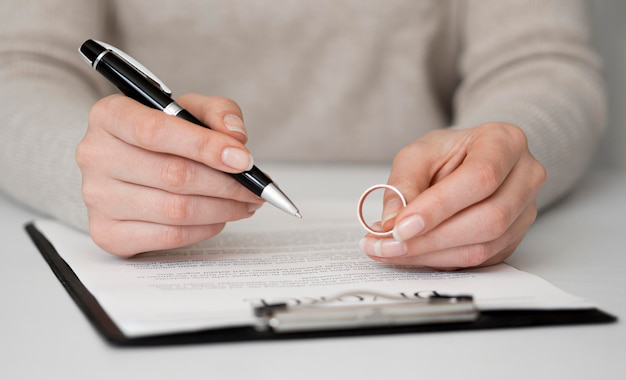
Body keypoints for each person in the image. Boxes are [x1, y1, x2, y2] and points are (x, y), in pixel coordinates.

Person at [0, 0, 605, 269]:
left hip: (422, 195)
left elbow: (542, 63)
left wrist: (501, 161)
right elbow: (18, 69)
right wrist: (85, 170)